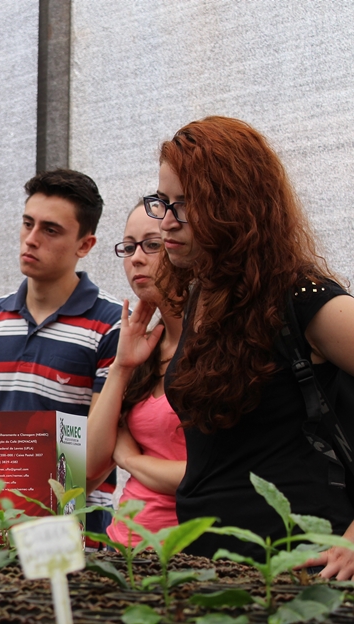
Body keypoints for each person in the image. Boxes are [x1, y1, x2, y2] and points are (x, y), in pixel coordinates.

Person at [139, 116, 354, 578]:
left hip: (299, 568)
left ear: (236, 205)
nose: (168, 222)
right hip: (209, 562)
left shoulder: (305, 300)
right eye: (164, 202)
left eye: (188, 204)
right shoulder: (200, 295)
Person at [0, 168, 122, 533]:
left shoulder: (112, 326)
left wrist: (37, 515)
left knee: (68, 593)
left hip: (73, 527)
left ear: (85, 245)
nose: (31, 239)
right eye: (27, 223)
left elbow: (101, 452)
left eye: (50, 230)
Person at [86, 203, 186, 546]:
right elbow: (89, 465)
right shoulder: (143, 348)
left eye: (152, 245)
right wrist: (121, 367)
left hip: (187, 552)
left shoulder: (213, 349)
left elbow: (202, 475)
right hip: (124, 544)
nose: (136, 259)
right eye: (129, 247)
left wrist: (129, 459)